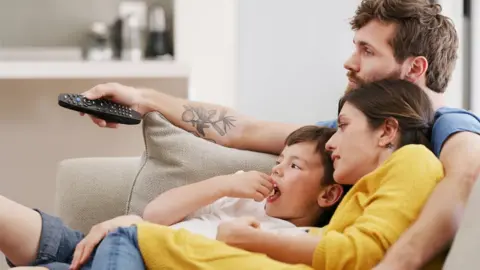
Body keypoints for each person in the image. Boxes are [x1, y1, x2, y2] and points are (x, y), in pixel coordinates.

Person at [76, 0, 480, 268]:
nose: (349, 61)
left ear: (415, 69)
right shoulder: (347, 138)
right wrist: (145, 98)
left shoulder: (448, 126)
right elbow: (243, 129)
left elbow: (466, 179)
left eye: (367, 51)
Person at [82, 78, 445, 270]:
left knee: (128, 237)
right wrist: (144, 99)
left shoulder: (416, 157)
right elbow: (244, 129)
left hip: (164, 244)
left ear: (387, 131)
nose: (333, 141)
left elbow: (357, 254)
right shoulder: (363, 178)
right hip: (175, 241)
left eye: (344, 126)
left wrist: (253, 240)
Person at [2, 126, 348, 269]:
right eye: (278, 161)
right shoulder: (239, 193)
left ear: (328, 194)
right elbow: (155, 214)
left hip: (138, 254)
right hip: (109, 247)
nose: (278, 171)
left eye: (294, 166)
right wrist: (224, 185)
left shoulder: (294, 242)